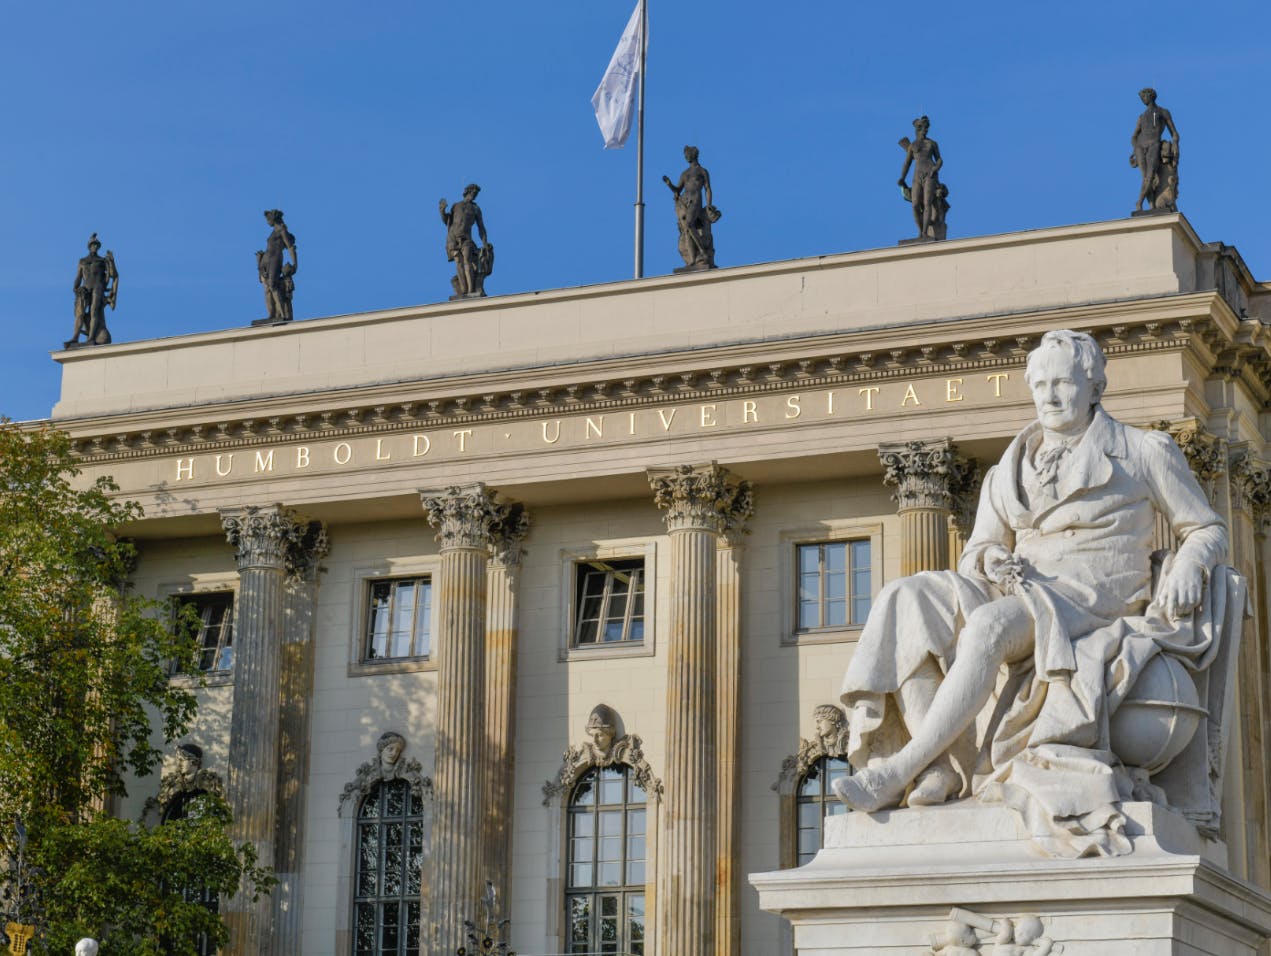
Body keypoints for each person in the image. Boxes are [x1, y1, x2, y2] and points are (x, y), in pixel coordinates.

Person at [834, 331, 1227, 854]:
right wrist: (991, 558)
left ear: (1095, 386)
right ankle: (944, 769)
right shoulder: (1006, 471)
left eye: (1063, 382)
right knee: (905, 600)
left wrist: (1189, 565)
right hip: (1019, 584)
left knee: (990, 626)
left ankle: (902, 768)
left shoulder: (1142, 451)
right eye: (1040, 384)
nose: (1050, 396)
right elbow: (977, 551)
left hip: (1092, 596)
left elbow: (1207, 528)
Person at [662, 145, 719, 271]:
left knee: (688, 224)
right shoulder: (685, 173)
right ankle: (692, 259)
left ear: (693, 155)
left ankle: (702, 252)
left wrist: (709, 204)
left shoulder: (702, 171)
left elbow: (707, 188)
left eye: (687, 154)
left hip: (695, 199)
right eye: (685, 154)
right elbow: (677, 190)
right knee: (687, 230)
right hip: (685, 199)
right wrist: (669, 184)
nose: (686, 156)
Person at [439, 184, 493, 298]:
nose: (474, 195)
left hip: (466, 238)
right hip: (453, 238)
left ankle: (470, 289)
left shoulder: (475, 208)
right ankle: (463, 290)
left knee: (467, 261)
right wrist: (442, 211)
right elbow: (447, 221)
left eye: (476, 194)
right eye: (473, 193)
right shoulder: (456, 206)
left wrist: (485, 242)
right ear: (467, 192)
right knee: (458, 261)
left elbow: (481, 228)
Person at [1131, 88, 1179, 212]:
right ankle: (1151, 205)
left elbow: (1174, 133)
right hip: (1140, 147)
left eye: (1144, 97)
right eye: (1142, 98)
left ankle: (1139, 202)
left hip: (1154, 144)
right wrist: (1134, 150)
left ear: (1151, 96)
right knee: (1145, 176)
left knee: (1150, 176)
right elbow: (1134, 136)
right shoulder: (1141, 117)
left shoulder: (1163, 112)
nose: (1143, 100)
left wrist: (1175, 146)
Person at [898, 116, 945, 240]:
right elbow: (907, 163)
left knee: (927, 202)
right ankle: (920, 231)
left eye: (925, 127)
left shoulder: (932, 143)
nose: (924, 129)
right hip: (917, 175)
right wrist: (902, 177)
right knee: (915, 204)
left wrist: (935, 169)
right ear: (917, 129)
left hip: (930, 173)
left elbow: (939, 159)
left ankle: (924, 233)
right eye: (921, 127)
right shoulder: (912, 145)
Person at [68, 234, 118, 347]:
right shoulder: (83, 261)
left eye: (96, 245)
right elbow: (78, 277)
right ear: (89, 246)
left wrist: (111, 262)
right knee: (79, 313)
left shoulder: (102, 261)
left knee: (94, 312)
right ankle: (75, 337)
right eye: (93, 244)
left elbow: (113, 274)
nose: (94, 246)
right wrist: (75, 288)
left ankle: (90, 338)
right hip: (85, 288)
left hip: (98, 287)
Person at [258, 209, 298, 321]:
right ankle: (271, 315)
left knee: (273, 285)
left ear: (273, 218)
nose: (267, 222)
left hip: (275, 259)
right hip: (266, 261)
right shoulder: (273, 232)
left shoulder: (282, 230)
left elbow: (290, 247)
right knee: (267, 288)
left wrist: (295, 263)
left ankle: (282, 314)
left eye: (268, 219)